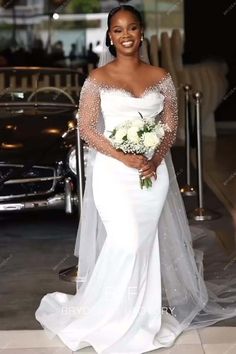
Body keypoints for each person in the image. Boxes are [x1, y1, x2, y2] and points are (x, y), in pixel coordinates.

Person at [35, 5, 236, 353]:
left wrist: (154, 157)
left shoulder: (161, 76)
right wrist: (123, 155)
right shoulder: (97, 80)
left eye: (131, 28)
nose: (125, 35)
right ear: (110, 37)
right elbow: (86, 128)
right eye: (118, 30)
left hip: (150, 176)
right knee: (126, 241)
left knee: (143, 245)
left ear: (141, 33)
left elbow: (170, 125)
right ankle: (105, 315)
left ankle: (141, 315)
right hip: (113, 176)